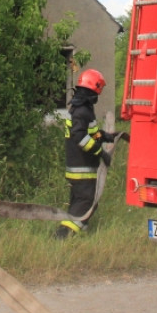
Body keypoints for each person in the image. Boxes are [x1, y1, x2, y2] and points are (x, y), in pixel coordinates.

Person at [55, 68, 114, 239]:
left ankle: (79, 234)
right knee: (87, 202)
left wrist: (102, 136)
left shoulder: (79, 109)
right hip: (82, 169)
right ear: (93, 90)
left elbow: (89, 134)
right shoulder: (82, 111)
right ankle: (63, 235)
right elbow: (80, 138)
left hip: (78, 167)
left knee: (78, 202)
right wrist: (100, 153)